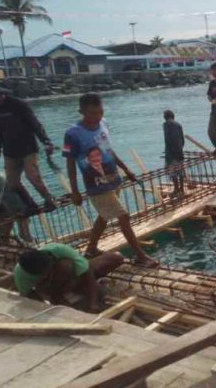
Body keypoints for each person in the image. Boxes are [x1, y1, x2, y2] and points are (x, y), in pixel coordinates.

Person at [63, 93, 159, 267]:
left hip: (113, 178)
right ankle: (140, 255)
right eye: (92, 113)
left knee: (104, 216)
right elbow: (70, 163)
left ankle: (91, 249)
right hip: (96, 183)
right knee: (123, 215)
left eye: (100, 112)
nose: (96, 117)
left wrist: (126, 169)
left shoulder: (103, 123)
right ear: (81, 111)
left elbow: (109, 150)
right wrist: (74, 191)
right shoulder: (72, 134)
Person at [0, 82, 56, 212]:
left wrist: (46, 141)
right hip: (10, 151)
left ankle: (49, 199)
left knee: (32, 176)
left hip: (28, 148)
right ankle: (30, 205)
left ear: (1, 94)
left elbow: (35, 124)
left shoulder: (18, 104)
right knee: (12, 183)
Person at [13, 243, 124, 312]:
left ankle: (80, 289)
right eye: (42, 274)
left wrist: (93, 303)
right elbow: (30, 296)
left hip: (72, 278)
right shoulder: (20, 273)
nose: (46, 274)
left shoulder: (58, 249)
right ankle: (60, 296)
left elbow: (88, 271)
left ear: (50, 258)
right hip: (51, 289)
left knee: (115, 258)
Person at [162, 110, 185, 196]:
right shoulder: (178, 125)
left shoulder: (166, 124)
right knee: (180, 171)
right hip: (179, 152)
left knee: (172, 171)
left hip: (171, 153)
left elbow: (168, 140)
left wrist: (169, 153)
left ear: (165, 117)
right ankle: (181, 189)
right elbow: (182, 140)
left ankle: (176, 189)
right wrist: (179, 150)